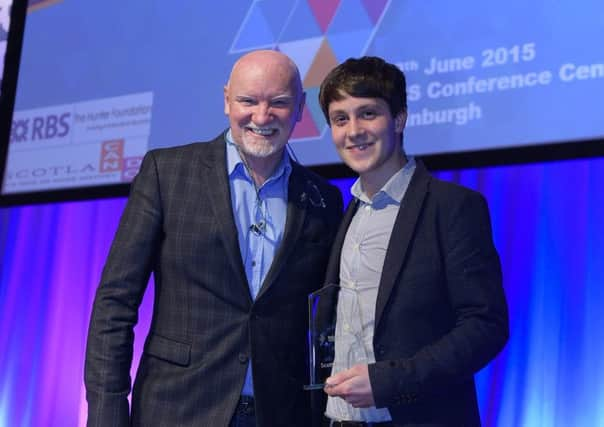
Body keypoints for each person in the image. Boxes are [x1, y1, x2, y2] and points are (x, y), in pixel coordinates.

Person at [84, 50, 343, 427]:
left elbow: (328, 320)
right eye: (248, 101)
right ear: (226, 101)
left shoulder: (323, 198)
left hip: (284, 415)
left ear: (301, 109)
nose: (261, 116)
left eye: (279, 103)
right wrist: (107, 412)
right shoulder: (167, 173)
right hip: (176, 409)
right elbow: (115, 302)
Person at [317, 56, 509, 426]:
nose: (354, 130)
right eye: (341, 119)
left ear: (399, 119)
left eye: (367, 113)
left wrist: (391, 380)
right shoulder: (345, 213)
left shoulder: (452, 207)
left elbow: (485, 326)